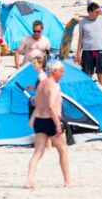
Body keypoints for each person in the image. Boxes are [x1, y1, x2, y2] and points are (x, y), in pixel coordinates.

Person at [25, 61, 73, 189]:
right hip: (51, 120)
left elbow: (37, 103)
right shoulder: (54, 86)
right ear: (54, 71)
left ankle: (29, 179)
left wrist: (33, 119)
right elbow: (51, 105)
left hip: (39, 120)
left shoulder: (41, 85)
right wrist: (57, 124)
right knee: (63, 151)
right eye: (61, 71)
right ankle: (68, 181)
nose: (62, 74)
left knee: (38, 152)